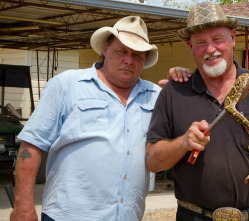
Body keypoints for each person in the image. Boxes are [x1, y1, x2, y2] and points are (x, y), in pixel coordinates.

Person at [146, 2, 249, 221]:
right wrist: (183, 142)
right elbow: (153, 162)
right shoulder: (174, 91)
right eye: (201, 42)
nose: (210, 49)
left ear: (232, 37)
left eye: (217, 39)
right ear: (189, 46)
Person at [10, 16, 160, 221]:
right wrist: (23, 206)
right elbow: (32, 146)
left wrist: (181, 79)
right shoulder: (67, 85)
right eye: (121, 51)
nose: (129, 60)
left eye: (137, 55)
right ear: (106, 49)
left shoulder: (156, 96)